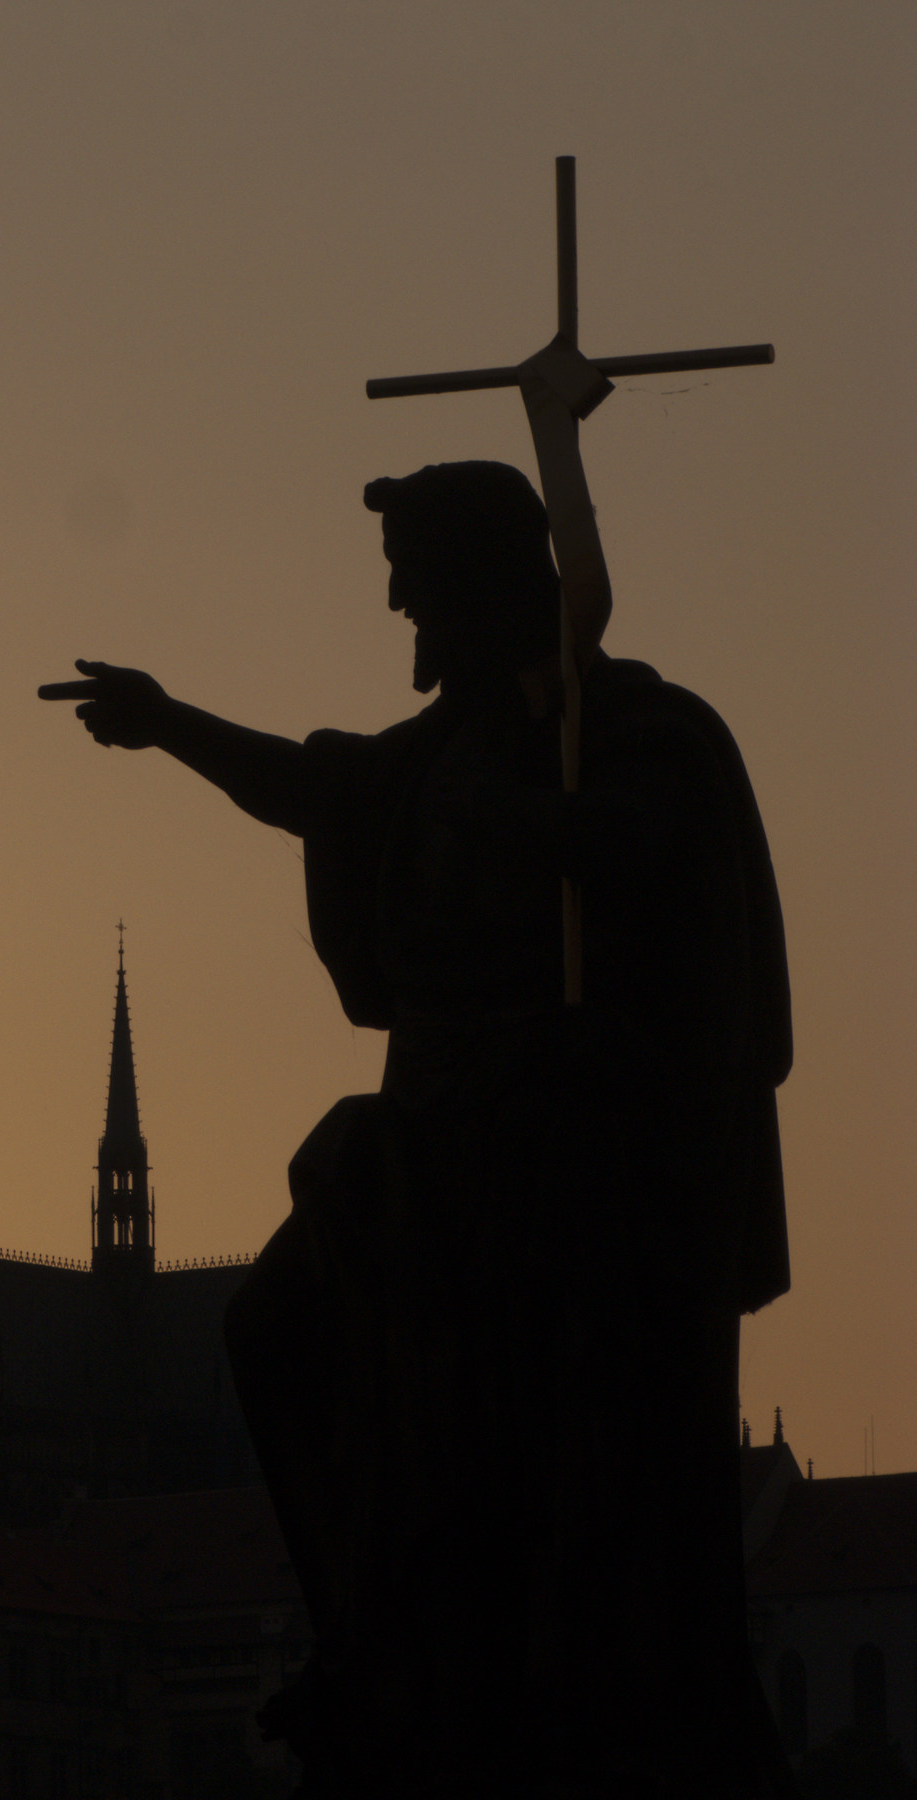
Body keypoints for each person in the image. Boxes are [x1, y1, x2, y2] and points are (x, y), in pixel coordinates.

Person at [57, 461, 795, 1798]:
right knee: (271, 1328)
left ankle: (451, 1652)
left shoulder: (627, 724)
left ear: (477, 588)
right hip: (437, 1136)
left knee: (514, 1444)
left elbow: (662, 863)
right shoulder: (446, 746)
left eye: (415, 592)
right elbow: (314, 788)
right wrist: (171, 725)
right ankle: (371, 1637)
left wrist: (529, 822)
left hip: (567, 1153)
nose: (401, 615)